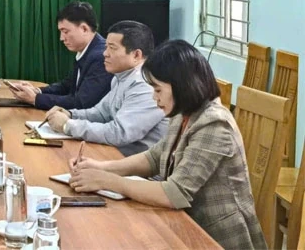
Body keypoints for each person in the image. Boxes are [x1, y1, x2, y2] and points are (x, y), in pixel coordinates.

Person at [68, 40, 266, 250]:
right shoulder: (184, 113)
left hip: (216, 237)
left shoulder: (214, 123)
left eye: (158, 89)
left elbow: (174, 193)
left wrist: (108, 181)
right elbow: (155, 157)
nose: (154, 97)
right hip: (183, 224)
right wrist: (102, 167)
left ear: (182, 86)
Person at [44, 20, 167, 156]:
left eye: (112, 48)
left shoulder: (145, 85)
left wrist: (68, 125)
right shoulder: (121, 77)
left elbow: (119, 133)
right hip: (114, 154)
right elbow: (101, 113)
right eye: (106, 47)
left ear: (136, 55)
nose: (105, 53)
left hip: (133, 163)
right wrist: (70, 114)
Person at [9, 1, 111, 110]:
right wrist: (37, 91)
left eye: (65, 32)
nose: (61, 38)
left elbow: (81, 103)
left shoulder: (100, 56)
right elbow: (67, 86)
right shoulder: (87, 50)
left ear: (84, 29)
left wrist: (35, 99)